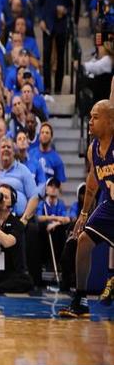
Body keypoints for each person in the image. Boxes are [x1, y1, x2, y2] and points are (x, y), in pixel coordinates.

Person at [59, 94, 114, 317]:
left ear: (110, 122)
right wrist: (83, 213)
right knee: (83, 241)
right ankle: (81, 299)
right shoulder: (93, 149)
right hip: (109, 205)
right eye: (90, 117)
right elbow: (92, 181)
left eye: (95, 117)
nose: (90, 121)